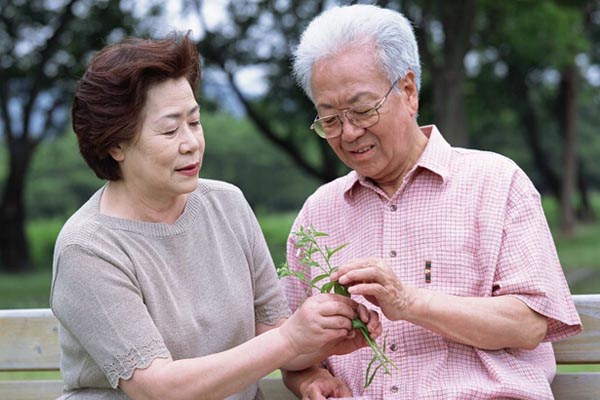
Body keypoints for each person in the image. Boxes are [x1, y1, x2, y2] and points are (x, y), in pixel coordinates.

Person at [50, 32, 382, 400]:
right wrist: (290, 339)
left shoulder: (228, 204)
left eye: (194, 122)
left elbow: (271, 330)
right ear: (115, 145)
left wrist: (327, 338)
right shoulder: (88, 248)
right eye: (169, 129)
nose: (191, 142)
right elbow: (157, 387)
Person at [281, 4, 583, 399]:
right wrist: (308, 379)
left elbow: (529, 325)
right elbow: (292, 346)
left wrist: (408, 302)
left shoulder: (495, 183)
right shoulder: (318, 213)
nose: (350, 132)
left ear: (408, 92)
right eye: (331, 119)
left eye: (361, 110)